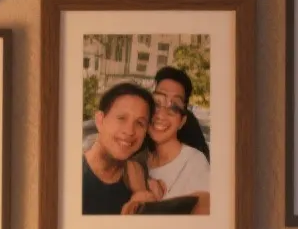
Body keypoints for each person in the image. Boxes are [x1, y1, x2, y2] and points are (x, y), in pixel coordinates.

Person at [126, 68, 211, 214]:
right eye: (157, 103)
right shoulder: (140, 158)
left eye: (174, 107)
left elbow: (205, 206)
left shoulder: (195, 162)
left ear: (182, 121)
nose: (161, 114)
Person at [82, 83, 155, 215]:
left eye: (140, 123)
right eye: (121, 118)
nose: (129, 131)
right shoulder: (73, 176)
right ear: (100, 120)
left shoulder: (135, 172)